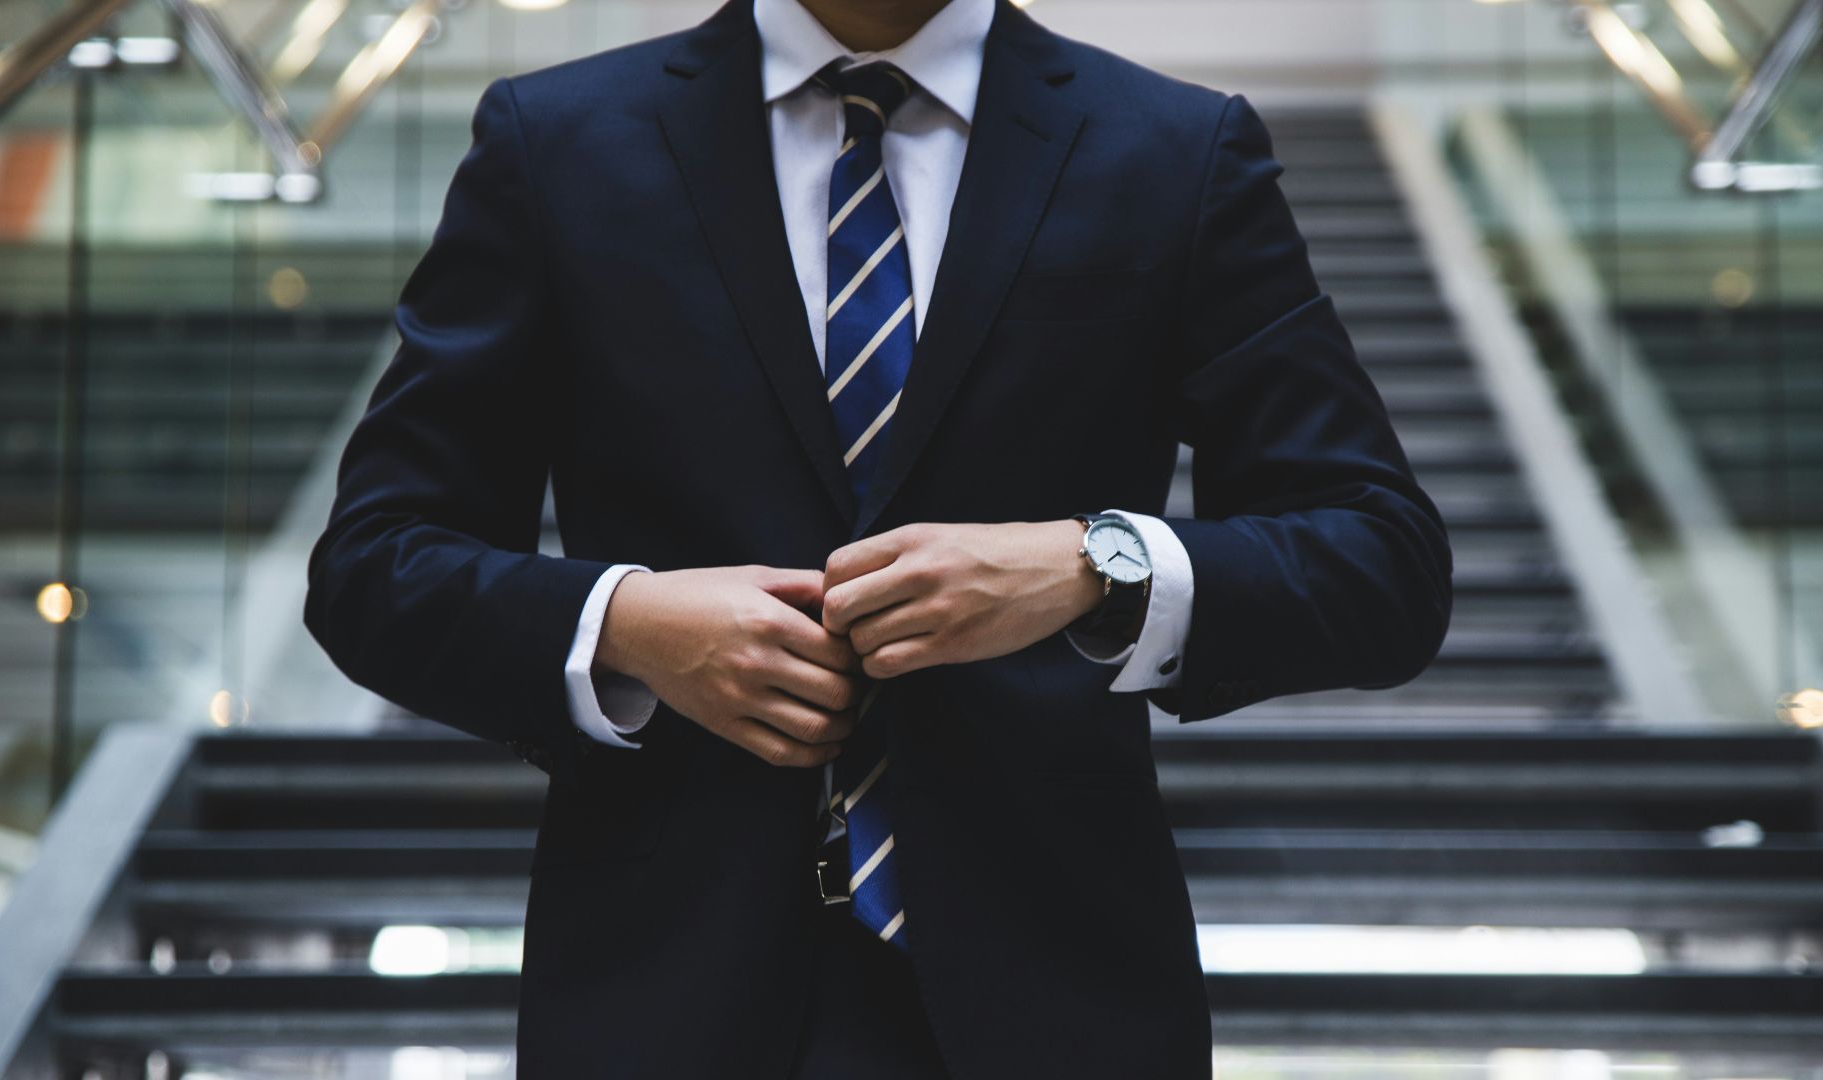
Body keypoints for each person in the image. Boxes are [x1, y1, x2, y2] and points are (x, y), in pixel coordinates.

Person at [304, 0, 1453, 1075]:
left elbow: (1381, 560)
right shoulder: (555, 142)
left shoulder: (1174, 149)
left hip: (1061, 999)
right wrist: (628, 626)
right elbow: (375, 562)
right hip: (659, 994)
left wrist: (1092, 565)